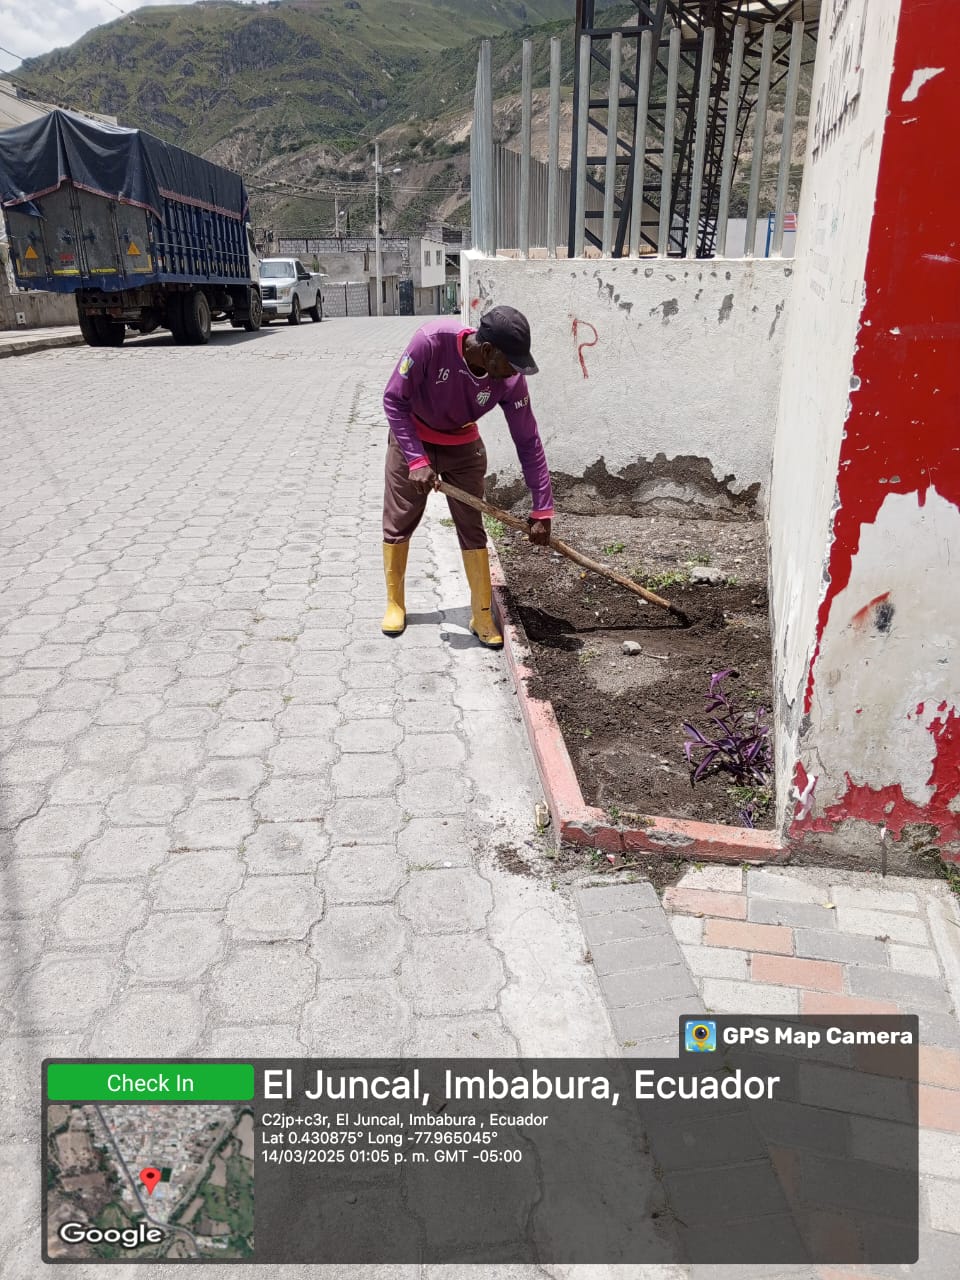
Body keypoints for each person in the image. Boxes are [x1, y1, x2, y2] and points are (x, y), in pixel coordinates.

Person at [380, 305, 554, 649]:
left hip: (462, 445)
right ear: (487, 351)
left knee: (471, 526)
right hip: (412, 438)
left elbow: (528, 440)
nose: (514, 373)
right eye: (510, 363)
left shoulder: (511, 381)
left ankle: (481, 613)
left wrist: (542, 507)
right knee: (398, 521)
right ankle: (395, 603)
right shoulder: (430, 342)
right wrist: (416, 459)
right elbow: (393, 399)